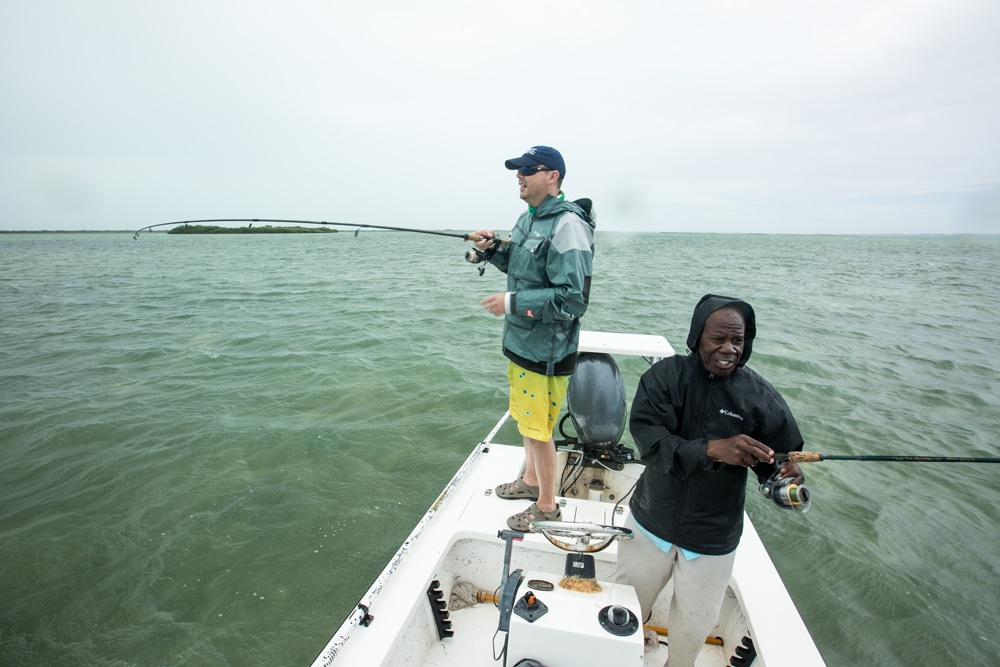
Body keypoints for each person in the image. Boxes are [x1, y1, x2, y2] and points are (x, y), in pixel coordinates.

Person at [613, 294, 806, 667]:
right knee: (625, 606)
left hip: (713, 537)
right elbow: (650, 443)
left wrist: (784, 477)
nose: (729, 349)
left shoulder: (761, 398)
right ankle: (627, 648)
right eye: (718, 338)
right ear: (697, 336)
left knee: (693, 627)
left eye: (738, 340)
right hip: (651, 520)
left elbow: (779, 460)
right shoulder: (664, 377)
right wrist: (712, 450)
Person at [470, 146, 595, 531]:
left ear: (552, 176)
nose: (520, 176)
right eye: (518, 170)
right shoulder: (529, 219)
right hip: (521, 345)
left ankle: (546, 506)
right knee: (528, 424)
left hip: (548, 352)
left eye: (528, 169)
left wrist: (511, 302)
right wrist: (493, 250)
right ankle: (530, 482)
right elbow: (522, 262)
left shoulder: (567, 225)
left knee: (538, 431)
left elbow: (572, 300)